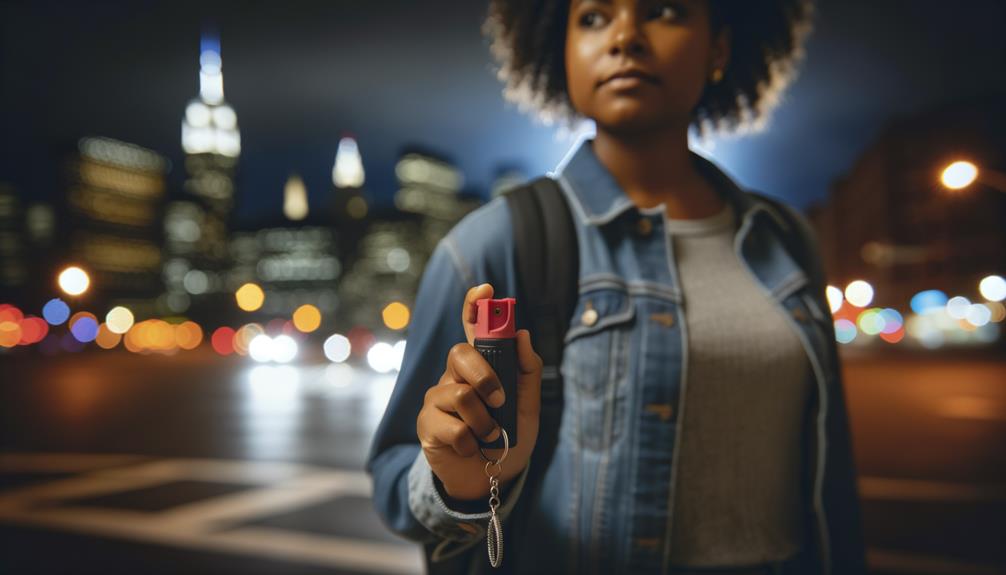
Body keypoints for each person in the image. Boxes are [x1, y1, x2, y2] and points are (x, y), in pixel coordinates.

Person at [367, 0, 866, 573]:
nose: (625, 36)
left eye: (666, 11)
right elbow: (394, 476)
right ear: (561, 51)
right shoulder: (495, 242)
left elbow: (833, 485)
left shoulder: (786, 239)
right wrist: (460, 480)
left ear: (720, 48)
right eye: (594, 17)